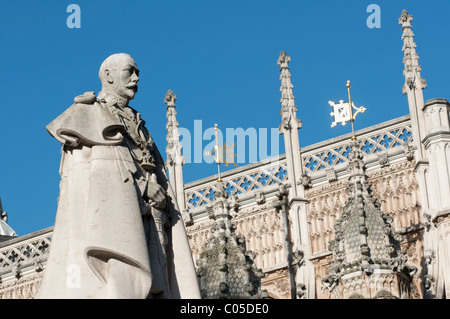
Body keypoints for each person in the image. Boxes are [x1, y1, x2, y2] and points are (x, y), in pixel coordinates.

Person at [36, 53, 200, 299]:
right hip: (116, 227)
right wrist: (143, 186)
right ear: (109, 76)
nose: (136, 78)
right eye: (130, 71)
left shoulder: (138, 123)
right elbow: (91, 176)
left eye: (137, 74)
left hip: (154, 221)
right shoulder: (88, 114)